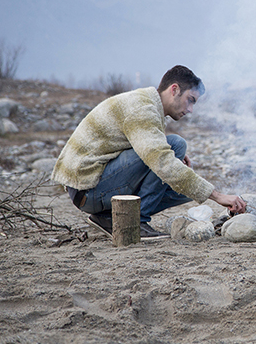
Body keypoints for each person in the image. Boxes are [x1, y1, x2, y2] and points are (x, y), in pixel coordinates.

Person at [52, 65, 246, 239]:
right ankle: (134, 223)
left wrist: (182, 171)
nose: (191, 109)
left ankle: (107, 218)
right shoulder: (142, 108)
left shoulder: (149, 105)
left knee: (184, 190)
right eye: (190, 100)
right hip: (88, 189)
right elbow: (160, 161)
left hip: (91, 189)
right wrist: (218, 196)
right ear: (174, 89)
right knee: (175, 146)